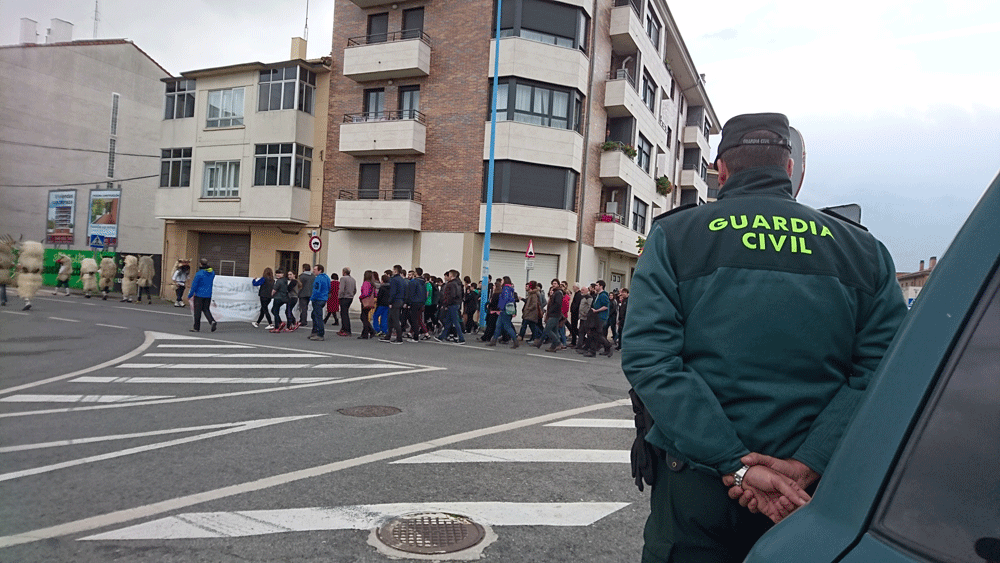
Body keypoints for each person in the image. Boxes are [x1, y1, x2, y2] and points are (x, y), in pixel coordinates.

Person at [621, 113, 908, 562]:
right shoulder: (861, 250)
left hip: (696, 485)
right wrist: (806, 463)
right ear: (789, 169)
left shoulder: (676, 236)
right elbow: (885, 371)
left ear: (721, 171)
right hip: (812, 491)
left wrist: (735, 464)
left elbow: (650, 360)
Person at [434, 270, 466, 344]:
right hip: (456, 303)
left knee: (455, 321)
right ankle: (441, 337)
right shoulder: (459, 283)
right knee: (449, 322)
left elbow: (451, 296)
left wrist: (446, 304)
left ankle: (461, 338)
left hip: (452, 304)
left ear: (451, 276)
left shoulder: (451, 284)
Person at [532, 279, 564, 352]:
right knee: (554, 330)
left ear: (558, 284)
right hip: (553, 314)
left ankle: (557, 342)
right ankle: (554, 346)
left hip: (554, 314)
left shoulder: (558, 293)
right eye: (553, 283)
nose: (553, 285)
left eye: (555, 283)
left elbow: (558, 304)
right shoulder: (555, 292)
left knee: (547, 329)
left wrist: (552, 310)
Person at [585, 280, 614, 358]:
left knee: (597, 334)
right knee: (594, 334)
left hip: (600, 317)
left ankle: (608, 346)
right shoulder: (598, 295)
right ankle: (593, 351)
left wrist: (596, 310)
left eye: (597, 285)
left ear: (601, 286)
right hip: (596, 317)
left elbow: (606, 306)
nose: (595, 286)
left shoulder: (603, 295)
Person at [488, 276, 520, 348]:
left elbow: (504, 300)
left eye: (502, 280)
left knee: (507, 326)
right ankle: (494, 340)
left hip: (504, 310)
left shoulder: (505, 289)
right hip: (507, 309)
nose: (501, 281)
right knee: (498, 325)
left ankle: (515, 341)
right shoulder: (510, 290)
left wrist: (500, 308)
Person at [187, 258, 217, 333]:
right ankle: (212, 321)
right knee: (206, 309)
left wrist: (190, 295)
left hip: (199, 295)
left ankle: (196, 327)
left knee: (197, 311)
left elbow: (194, 285)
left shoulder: (199, 274)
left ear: (200, 264)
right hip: (208, 295)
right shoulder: (212, 273)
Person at [382, 265, 407, 344]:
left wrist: (390, 302)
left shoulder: (393, 280)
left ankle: (399, 338)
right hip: (400, 300)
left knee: (395, 320)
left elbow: (393, 292)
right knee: (390, 319)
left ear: (395, 271)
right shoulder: (402, 280)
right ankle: (388, 336)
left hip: (395, 301)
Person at [308, 264, 330, 340]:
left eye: (315, 269)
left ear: (319, 270)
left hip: (318, 299)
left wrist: (312, 298)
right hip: (324, 298)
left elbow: (316, 290)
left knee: (318, 316)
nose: (313, 271)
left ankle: (320, 334)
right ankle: (314, 331)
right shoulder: (326, 277)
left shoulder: (318, 278)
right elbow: (329, 287)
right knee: (314, 315)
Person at [405, 268, 428, 342]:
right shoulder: (423, 282)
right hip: (421, 302)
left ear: (416, 273)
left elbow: (410, 293)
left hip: (414, 302)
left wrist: (408, 302)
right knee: (418, 318)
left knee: (413, 319)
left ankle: (415, 336)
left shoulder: (414, 282)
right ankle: (416, 334)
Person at [358, 270, 378, 339]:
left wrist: (360, 297)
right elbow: (375, 294)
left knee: (363, 317)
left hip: (365, 301)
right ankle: (366, 333)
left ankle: (368, 332)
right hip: (370, 301)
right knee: (365, 317)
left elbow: (365, 294)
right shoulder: (372, 284)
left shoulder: (366, 283)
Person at [337, 267, 357, 336]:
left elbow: (341, 289)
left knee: (344, 314)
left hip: (344, 297)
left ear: (344, 272)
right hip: (350, 297)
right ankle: (343, 328)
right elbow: (355, 290)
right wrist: (352, 295)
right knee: (345, 313)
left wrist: (339, 296)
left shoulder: (343, 279)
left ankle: (346, 329)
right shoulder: (353, 279)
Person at [297, 264, 315, 329]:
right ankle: (302, 319)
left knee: (303, 308)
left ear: (303, 268)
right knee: (305, 307)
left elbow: (299, 285)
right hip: (310, 293)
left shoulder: (301, 276)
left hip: (303, 293)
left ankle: (303, 321)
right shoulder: (313, 276)